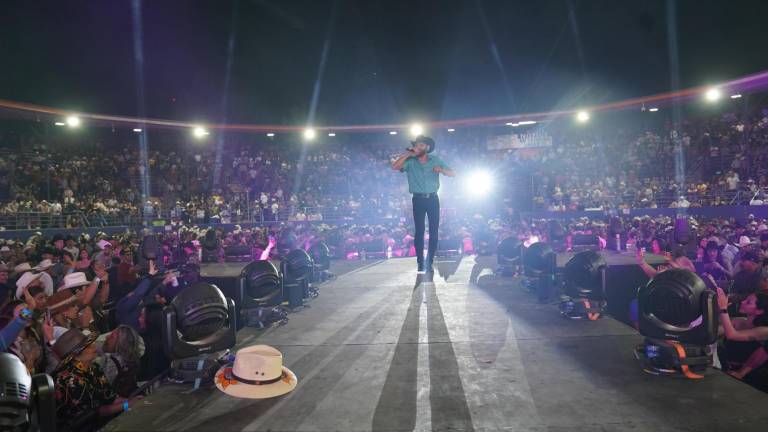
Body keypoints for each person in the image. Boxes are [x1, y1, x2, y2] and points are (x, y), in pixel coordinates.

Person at [52, 329, 141, 431]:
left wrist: (135, 401)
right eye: (88, 346)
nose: (94, 346)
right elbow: (97, 412)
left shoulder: (93, 368)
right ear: (76, 357)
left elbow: (110, 396)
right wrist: (127, 405)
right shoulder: (69, 380)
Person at [391, 135, 454, 273]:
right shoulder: (410, 161)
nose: (418, 147)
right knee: (419, 232)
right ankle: (420, 262)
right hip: (418, 199)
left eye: (421, 145)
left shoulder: (435, 160)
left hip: (433, 199)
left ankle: (429, 261)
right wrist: (407, 154)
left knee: (434, 232)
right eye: (417, 145)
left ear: (427, 148)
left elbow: (452, 173)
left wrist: (441, 170)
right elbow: (395, 167)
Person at [98, 325, 145, 397]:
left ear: (121, 344)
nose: (106, 337)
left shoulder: (112, 364)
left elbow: (99, 390)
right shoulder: (131, 359)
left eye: (111, 337)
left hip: (121, 403)